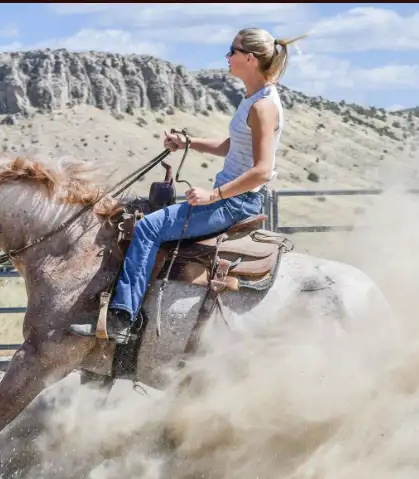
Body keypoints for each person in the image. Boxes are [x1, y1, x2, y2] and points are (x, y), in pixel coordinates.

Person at [68, 27, 310, 344]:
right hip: (231, 197)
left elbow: (263, 171)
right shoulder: (253, 98)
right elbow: (231, 146)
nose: (227, 56)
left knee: (148, 229)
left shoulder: (263, 106)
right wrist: (188, 143)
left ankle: (121, 319)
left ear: (249, 58)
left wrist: (215, 194)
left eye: (232, 50)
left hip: (234, 201)